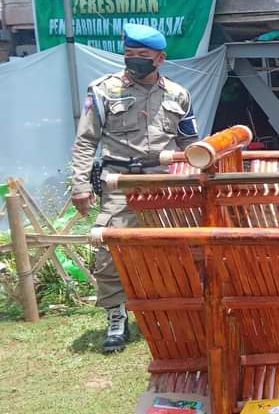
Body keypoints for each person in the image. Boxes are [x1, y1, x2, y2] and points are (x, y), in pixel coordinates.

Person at [70, 23, 198, 353]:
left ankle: (171, 313)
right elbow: (85, 142)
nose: (134, 60)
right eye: (129, 54)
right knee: (109, 249)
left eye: (142, 55)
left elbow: (190, 142)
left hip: (163, 184)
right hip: (119, 182)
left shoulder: (178, 94)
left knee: (172, 249)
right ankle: (116, 317)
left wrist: (201, 175)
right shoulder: (103, 91)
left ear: (160, 58)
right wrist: (80, 185)